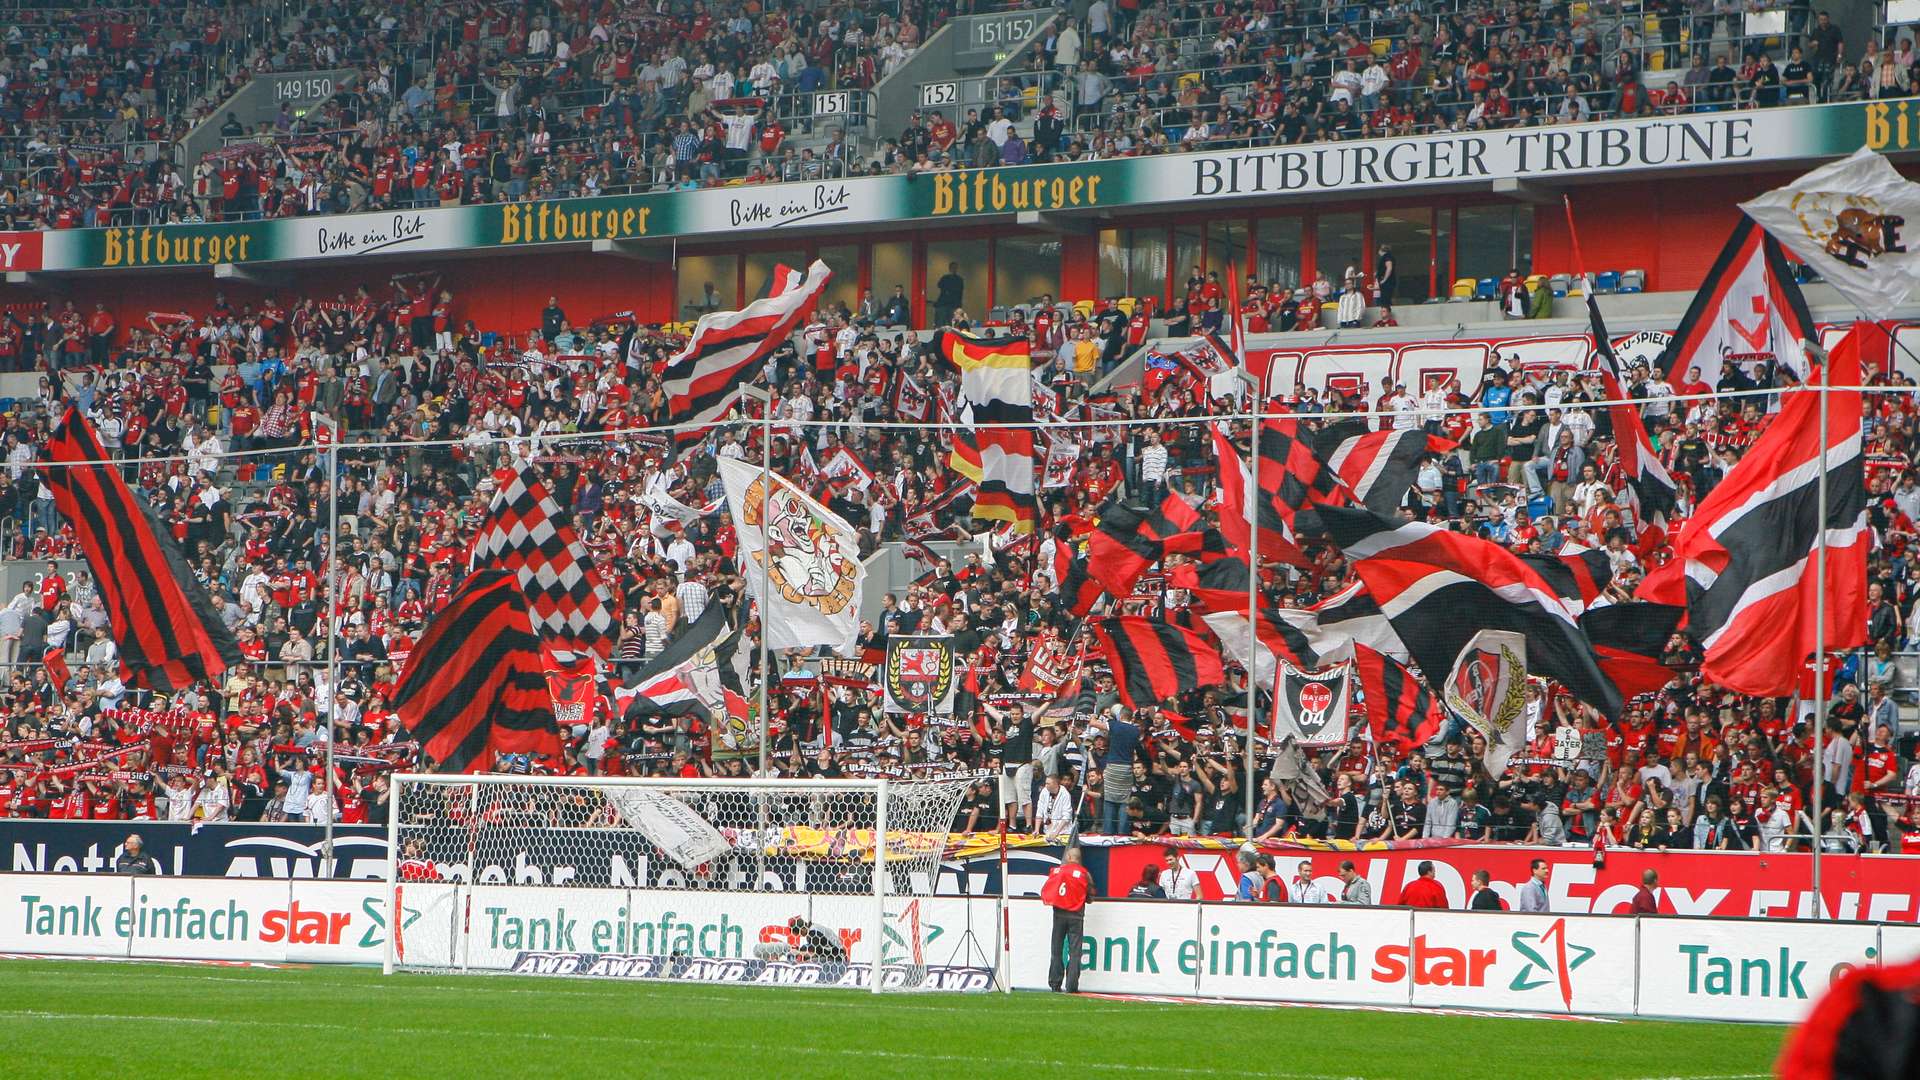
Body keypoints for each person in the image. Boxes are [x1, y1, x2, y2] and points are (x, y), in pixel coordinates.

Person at [1041, 847, 1092, 992]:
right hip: (1076, 916)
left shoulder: (1057, 871)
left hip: (1058, 915)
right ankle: (1072, 986)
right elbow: (1090, 896)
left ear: (1069, 857)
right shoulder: (1084, 874)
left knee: (1056, 951)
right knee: (1075, 952)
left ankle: (1055, 984)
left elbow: (1047, 891)